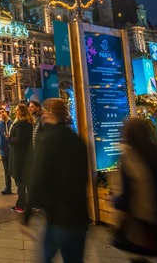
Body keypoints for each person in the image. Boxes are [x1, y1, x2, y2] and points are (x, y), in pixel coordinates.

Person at [24, 98, 89, 263]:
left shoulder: (48, 140)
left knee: (46, 257)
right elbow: (84, 178)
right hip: (79, 216)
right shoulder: (77, 140)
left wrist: (27, 216)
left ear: (49, 114)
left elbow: (37, 180)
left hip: (58, 217)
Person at [111, 118, 157, 258]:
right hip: (156, 223)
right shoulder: (156, 152)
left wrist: (115, 201)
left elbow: (127, 197)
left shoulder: (129, 158)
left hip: (137, 227)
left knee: (138, 255)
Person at [8, 104, 33, 213]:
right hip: (19, 154)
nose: (15, 112)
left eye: (17, 110)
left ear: (22, 112)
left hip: (20, 156)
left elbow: (19, 140)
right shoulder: (22, 123)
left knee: (20, 179)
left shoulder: (23, 124)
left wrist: (9, 138)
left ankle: (22, 205)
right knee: (22, 180)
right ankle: (30, 203)